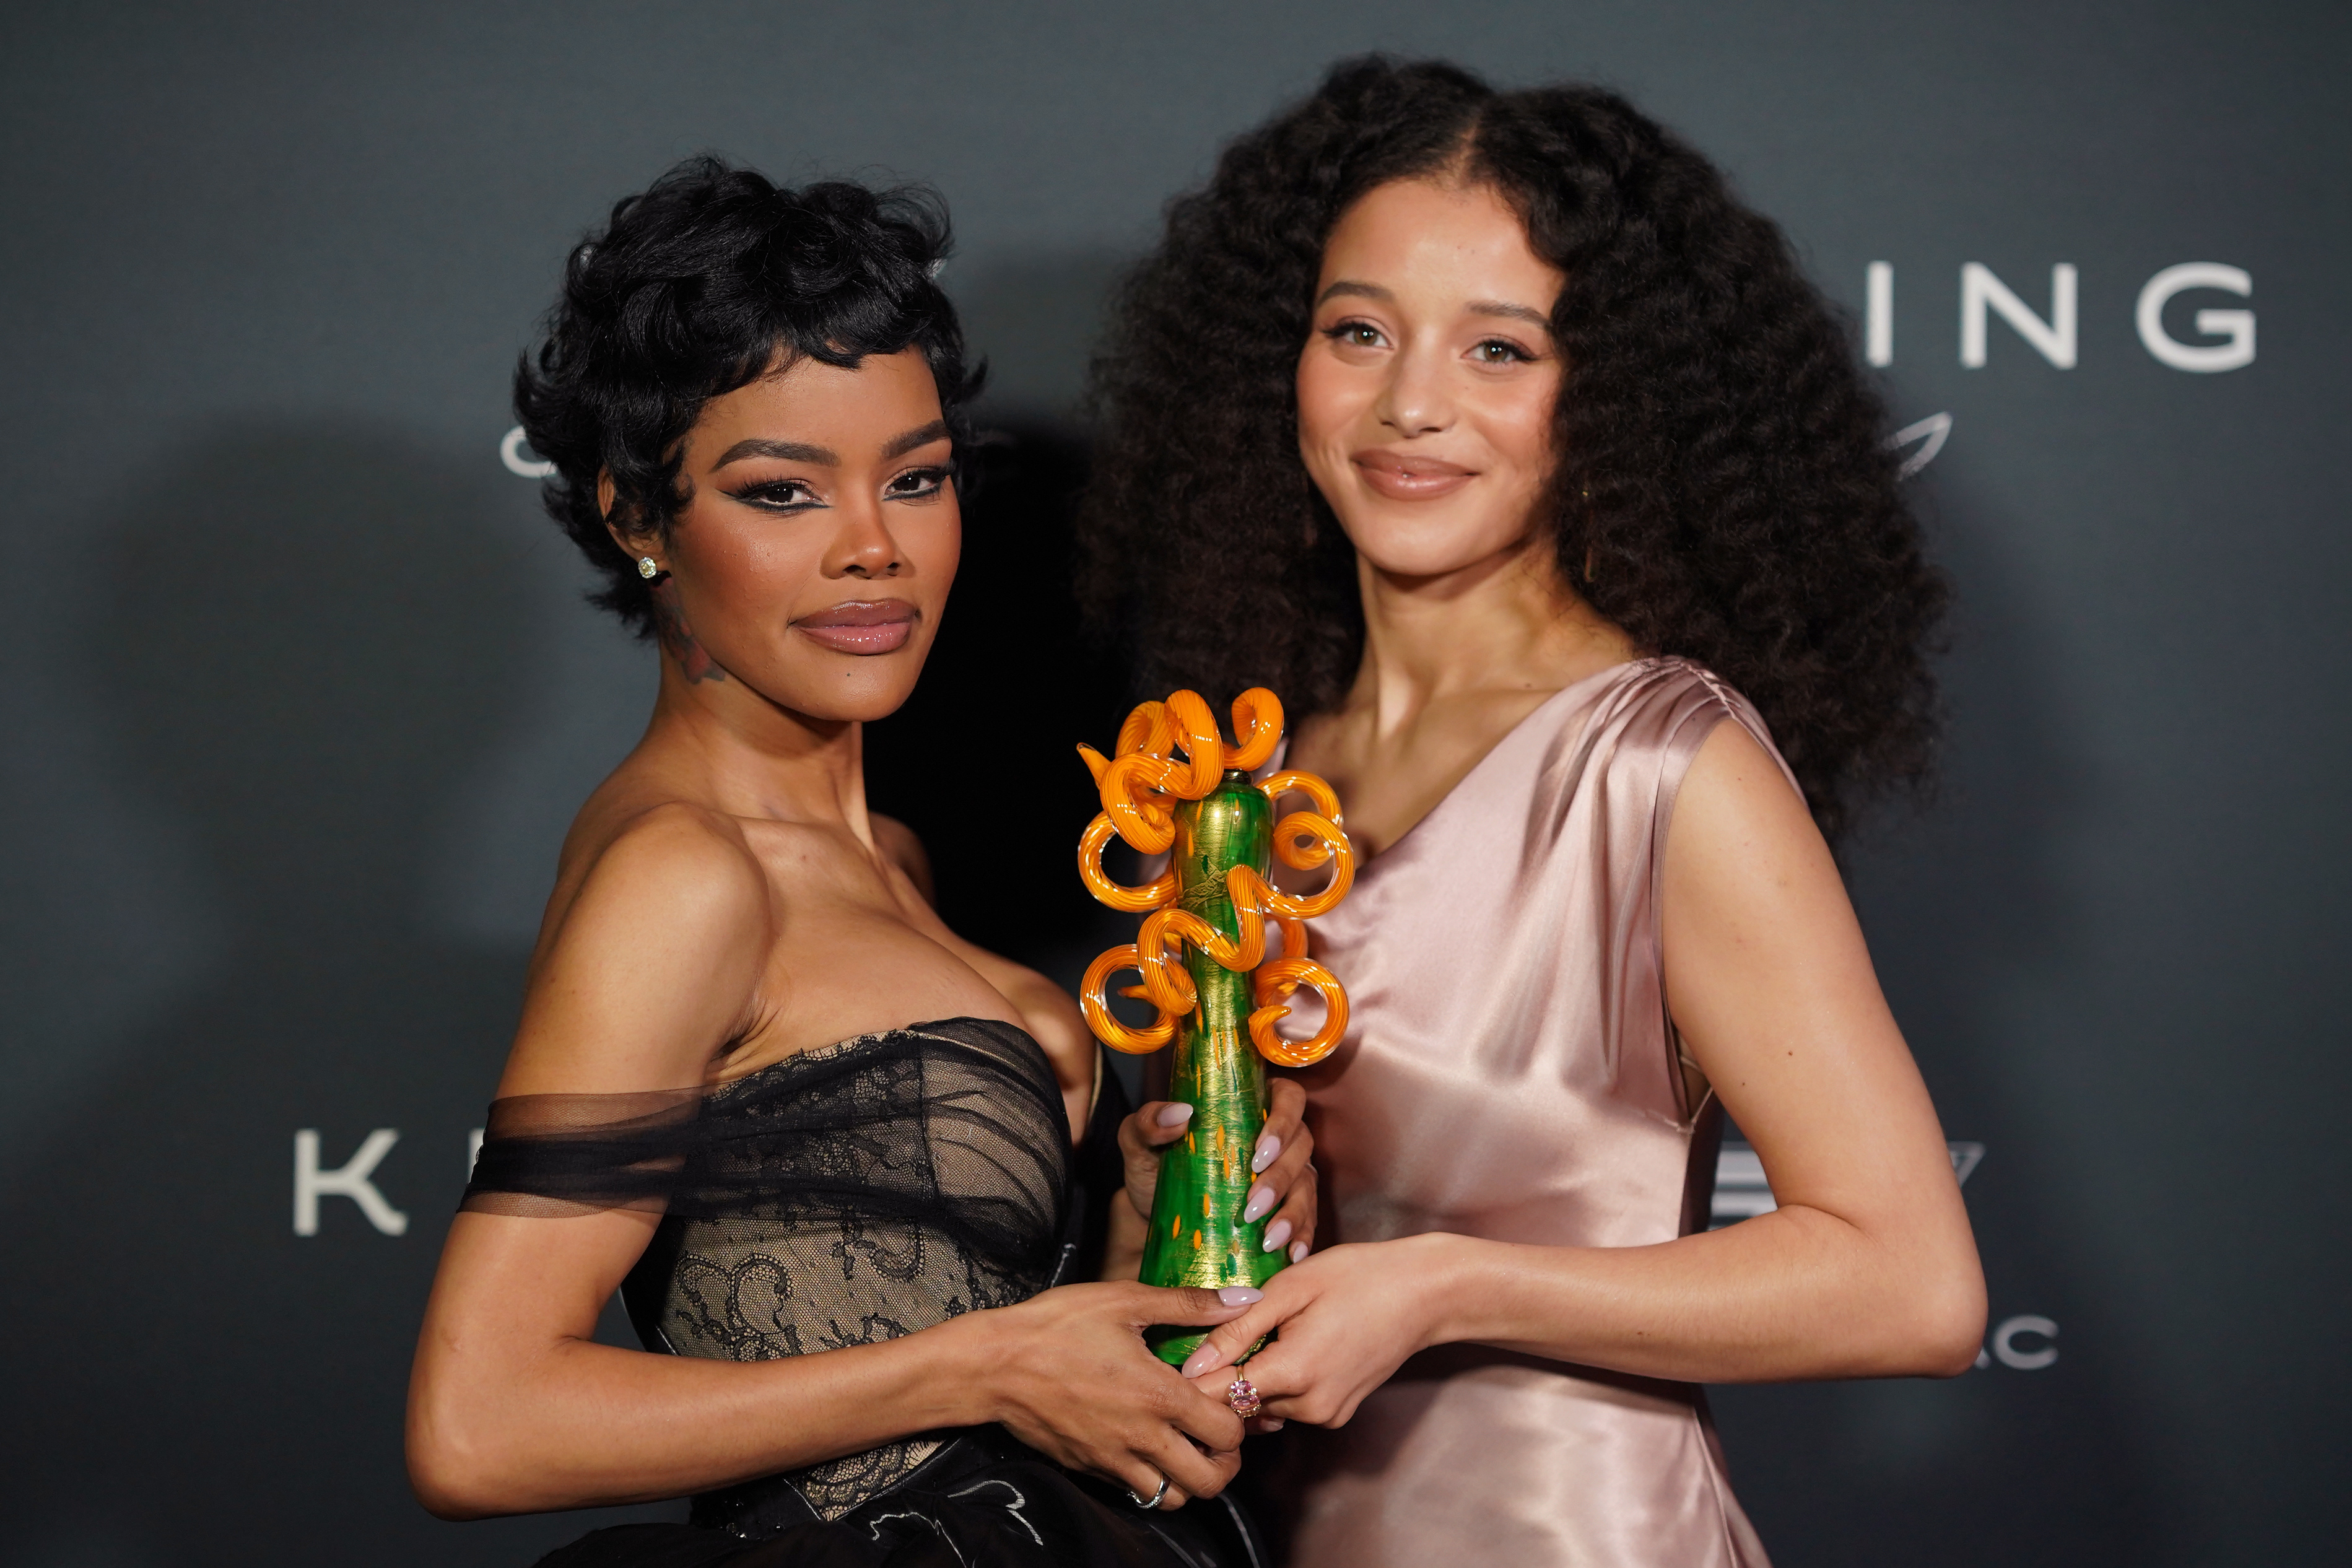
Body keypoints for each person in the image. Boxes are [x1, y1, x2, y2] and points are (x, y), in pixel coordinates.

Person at [1077, 58, 1987, 1566]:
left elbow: (1914, 1287)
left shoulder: (1659, 768)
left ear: (1611, 397)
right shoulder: (1236, 785)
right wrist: (1174, 1215)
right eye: (1356, 330)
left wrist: (1445, 1286)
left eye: (1502, 349)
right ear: (1277, 362)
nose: (1410, 403)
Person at [404, 156, 1318, 1567]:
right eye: (783, 493)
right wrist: (987, 1365)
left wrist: (1141, 1240)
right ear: (641, 519)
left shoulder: (886, 853)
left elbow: (929, 1325)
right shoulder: (685, 873)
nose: (874, 550)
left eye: (917, 479)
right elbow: (480, 1424)